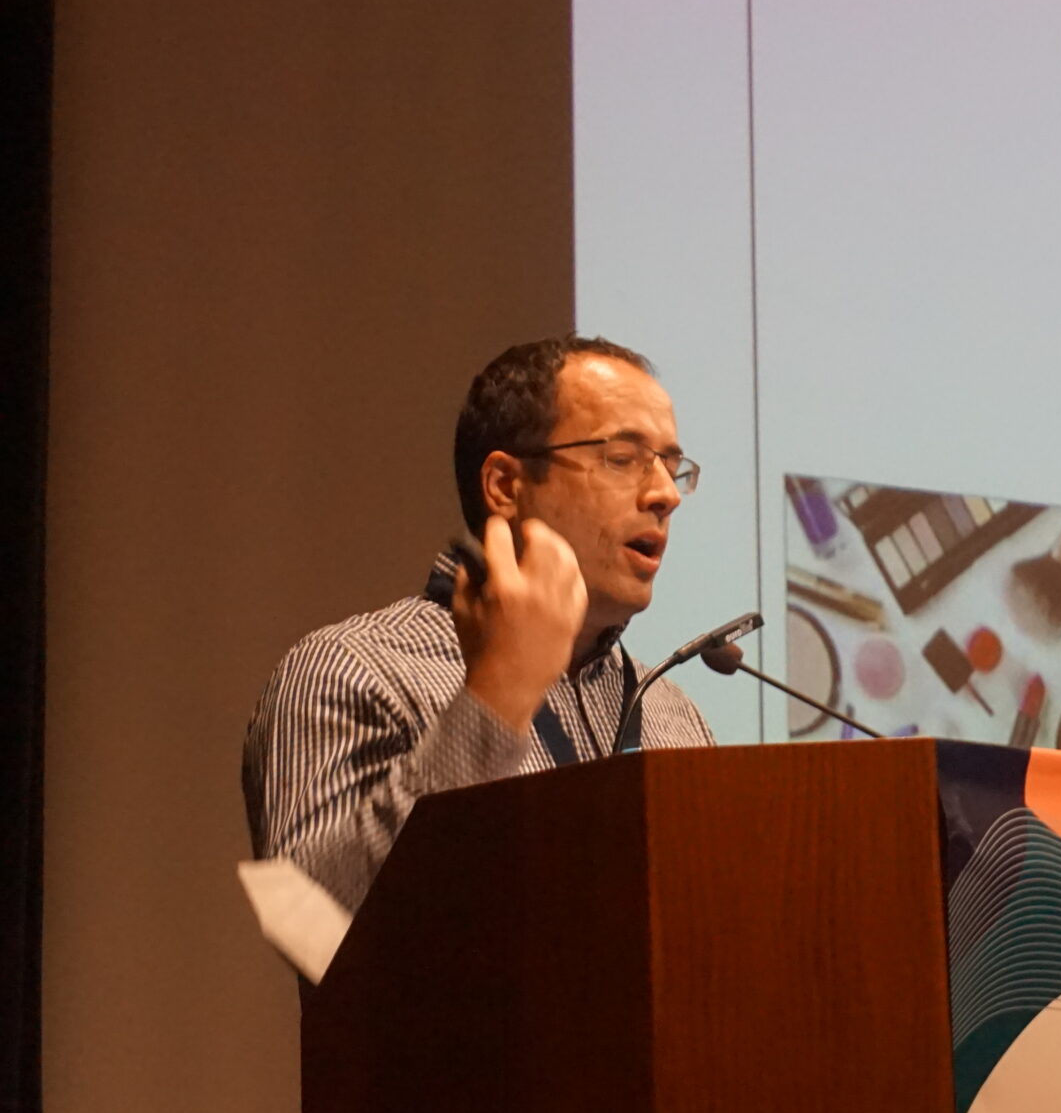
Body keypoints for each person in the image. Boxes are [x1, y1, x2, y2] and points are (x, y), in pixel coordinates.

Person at [243, 335, 714, 917]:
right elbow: (312, 922)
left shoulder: (671, 711)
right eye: (622, 458)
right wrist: (497, 697)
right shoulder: (352, 669)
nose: (665, 494)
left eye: (671, 466)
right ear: (505, 486)